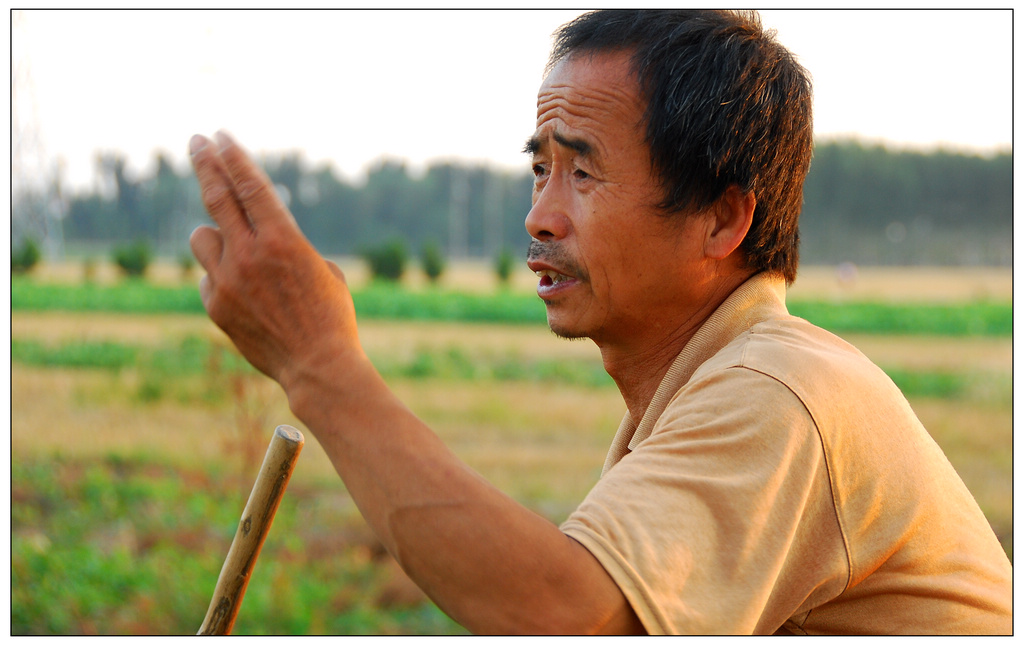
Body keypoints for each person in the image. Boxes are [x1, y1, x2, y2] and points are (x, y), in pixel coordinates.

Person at [187, 9, 1011, 635]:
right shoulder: (697, 393)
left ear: (723, 221)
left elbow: (566, 614)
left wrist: (319, 363)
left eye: (583, 172)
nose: (539, 217)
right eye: (540, 168)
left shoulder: (779, 394)